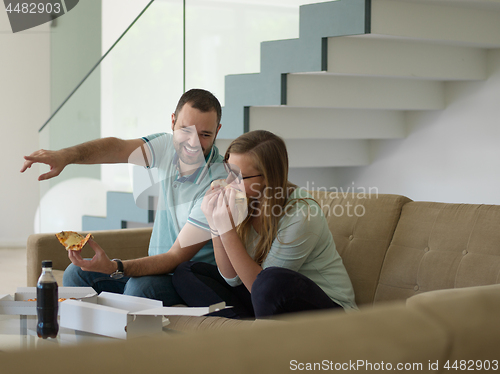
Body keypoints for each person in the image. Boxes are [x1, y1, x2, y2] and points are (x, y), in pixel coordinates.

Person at [20, 88, 229, 306]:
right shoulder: (167, 146)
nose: (193, 143)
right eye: (186, 130)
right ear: (173, 121)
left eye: (205, 135)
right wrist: (66, 155)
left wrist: (115, 267)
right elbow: (118, 148)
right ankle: (90, 338)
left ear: (218, 131)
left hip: (188, 278)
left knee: (139, 288)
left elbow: (175, 258)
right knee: (76, 274)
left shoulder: (218, 183)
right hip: (156, 271)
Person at [172, 130, 358, 318]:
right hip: (264, 296)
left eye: (239, 177)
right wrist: (215, 224)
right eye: (228, 171)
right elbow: (232, 279)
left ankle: (252, 333)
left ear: (267, 178)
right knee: (186, 272)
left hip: (330, 310)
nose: (229, 182)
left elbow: (261, 285)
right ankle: (245, 329)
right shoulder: (244, 199)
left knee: (269, 280)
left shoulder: (302, 214)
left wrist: (227, 230)